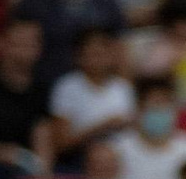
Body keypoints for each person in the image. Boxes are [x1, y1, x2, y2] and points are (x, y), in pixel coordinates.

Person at [0, 17, 62, 171]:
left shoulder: (42, 87)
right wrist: (4, 154)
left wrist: (42, 172)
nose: (25, 49)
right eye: (18, 43)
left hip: (25, 167)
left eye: (32, 43)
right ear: (2, 43)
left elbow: (42, 133)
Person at [51, 26, 137, 166]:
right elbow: (62, 143)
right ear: (79, 56)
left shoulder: (122, 87)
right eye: (94, 54)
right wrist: (103, 126)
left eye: (103, 53)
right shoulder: (67, 87)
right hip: (81, 158)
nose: (99, 59)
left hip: (122, 157)